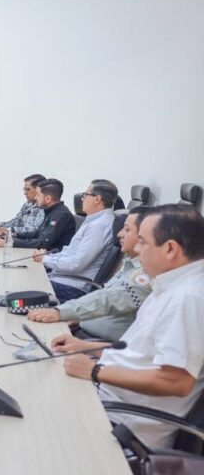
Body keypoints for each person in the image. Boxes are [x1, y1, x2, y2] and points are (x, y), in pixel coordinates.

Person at [53, 204, 204, 448]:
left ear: (170, 249)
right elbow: (138, 354)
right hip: (109, 398)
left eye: (142, 242)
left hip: (124, 425)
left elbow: (177, 382)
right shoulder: (169, 285)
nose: (137, 249)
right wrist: (85, 347)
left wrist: (94, 371)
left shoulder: (188, 298)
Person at [28, 209, 153, 341]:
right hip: (82, 331)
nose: (119, 234)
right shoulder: (129, 264)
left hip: (101, 343)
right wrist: (78, 317)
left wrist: (62, 312)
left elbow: (107, 300)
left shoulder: (145, 275)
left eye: (127, 230)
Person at [34, 179, 117, 302]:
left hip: (73, 288)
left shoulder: (99, 226)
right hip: (63, 279)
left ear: (97, 199)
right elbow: (70, 253)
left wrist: (44, 259)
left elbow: (76, 264)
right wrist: (47, 257)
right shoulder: (93, 220)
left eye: (85, 195)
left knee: (25, 284)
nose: (82, 199)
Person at [0, 178, 76, 252]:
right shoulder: (51, 211)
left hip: (52, 257)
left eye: (38, 195)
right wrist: (14, 234)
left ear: (48, 198)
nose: (35, 198)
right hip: (42, 255)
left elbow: (43, 243)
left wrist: (10, 243)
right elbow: (38, 233)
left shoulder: (61, 215)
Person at [0, 174, 45, 238]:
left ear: (38, 190)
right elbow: (16, 222)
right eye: (24, 189)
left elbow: (32, 230)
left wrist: (9, 230)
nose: (25, 193)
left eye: (28, 189)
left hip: (26, 242)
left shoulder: (42, 208)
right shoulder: (28, 205)